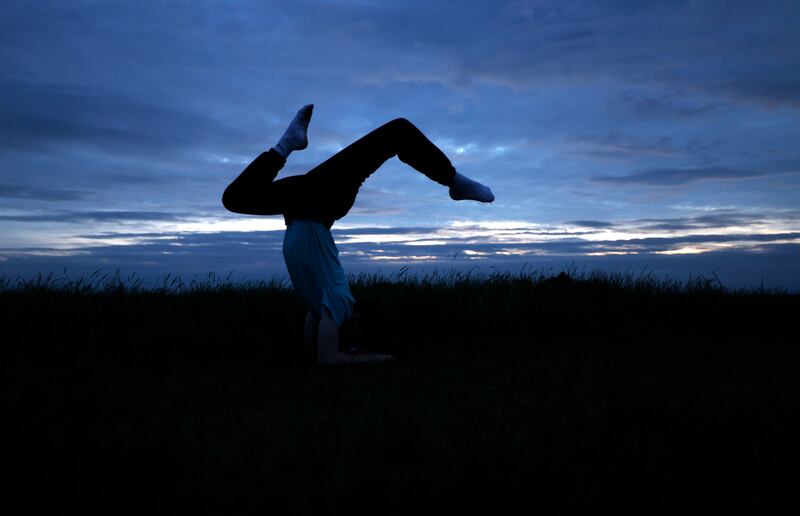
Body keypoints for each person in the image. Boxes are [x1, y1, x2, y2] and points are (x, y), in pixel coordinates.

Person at [222, 104, 494, 366]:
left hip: (309, 207)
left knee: (235, 199)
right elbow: (324, 349)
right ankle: (453, 181)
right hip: (310, 210)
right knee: (397, 132)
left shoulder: (331, 303)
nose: (354, 306)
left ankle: (287, 145)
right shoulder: (329, 302)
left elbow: (323, 355)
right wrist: (369, 355)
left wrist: (352, 353)